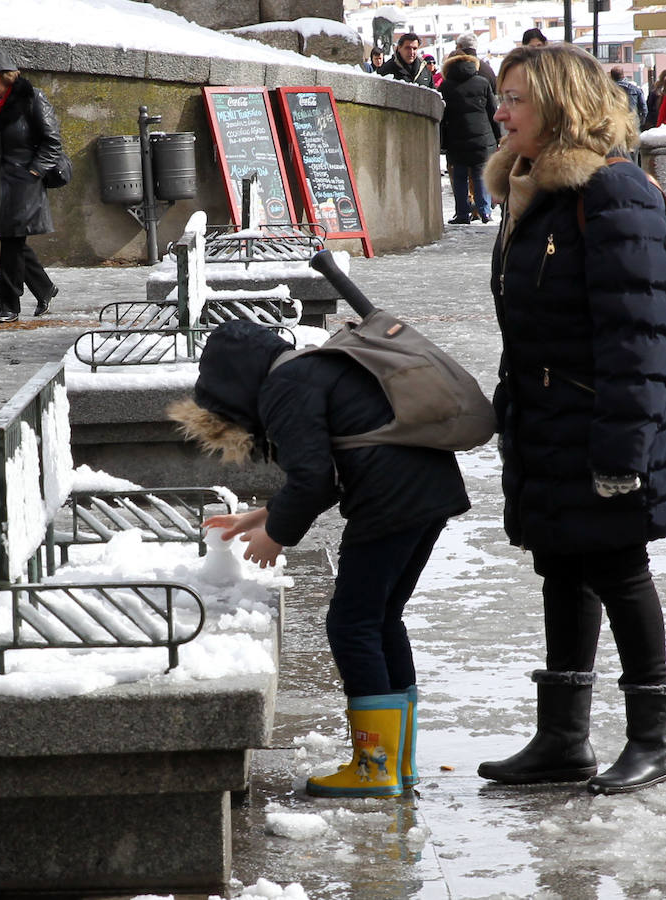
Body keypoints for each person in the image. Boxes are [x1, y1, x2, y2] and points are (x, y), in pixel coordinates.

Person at [168, 319, 470, 798]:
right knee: (381, 619)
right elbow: (338, 461)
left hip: (391, 501)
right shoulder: (308, 370)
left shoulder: (284, 387)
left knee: (351, 625)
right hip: (426, 490)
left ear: (232, 381)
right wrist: (262, 516)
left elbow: (313, 480)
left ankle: (375, 768)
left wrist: (276, 536)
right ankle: (397, 762)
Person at [479, 43, 666, 796]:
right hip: (547, 416)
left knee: (617, 566)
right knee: (560, 561)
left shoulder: (613, 190)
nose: (500, 113)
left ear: (560, 105)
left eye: (515, 99)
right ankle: (562, 738)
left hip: (599, 421)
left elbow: (638, 334)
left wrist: (623, 447)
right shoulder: (531, 189)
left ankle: (655, 736)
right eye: (499, 97)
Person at [0, 50, 61, 324]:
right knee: (12, 240)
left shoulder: (32, 98)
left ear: (7, 74)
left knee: (11, 241)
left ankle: (9, 305)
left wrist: (35, 170)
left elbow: (52, 141)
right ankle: (44, 287)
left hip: (25, 182)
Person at [440, 51, 500, 224]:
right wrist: (498, 136)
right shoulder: (482, 82)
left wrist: (442, 142)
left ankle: (462, 214)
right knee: (480, 174)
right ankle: (485, 212)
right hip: (482, 138)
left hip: (456, 138)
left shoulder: (445, 86)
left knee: (459, 176)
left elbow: (442, 117)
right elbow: (492, 111)